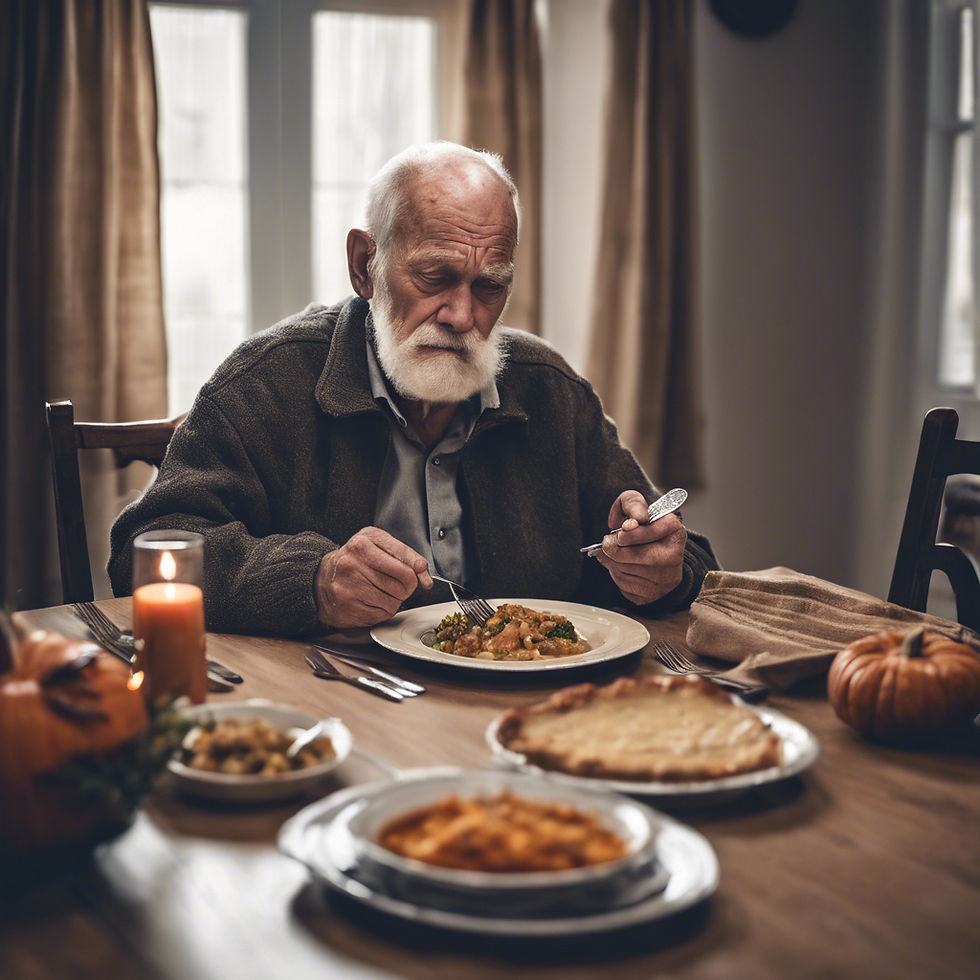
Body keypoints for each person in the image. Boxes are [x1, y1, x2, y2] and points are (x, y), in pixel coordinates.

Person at [109, 142, 718, 635]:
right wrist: (312, 582)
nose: (460, 315)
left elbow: (686, 557)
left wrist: (662, 569)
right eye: (435, 276)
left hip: (530, 711)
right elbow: (142, 552)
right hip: (341, 703)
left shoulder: (549, 390)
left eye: (489, 287)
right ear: (363, 265)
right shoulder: (271, 379)